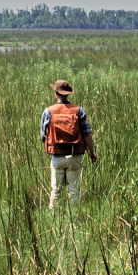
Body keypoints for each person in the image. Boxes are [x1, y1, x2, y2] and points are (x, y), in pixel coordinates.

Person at [41, 79, 97, 209]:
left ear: (56, 94)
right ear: (68, 94)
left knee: (55, 190)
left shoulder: (48, 111)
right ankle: (74, 218)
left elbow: (43, 135)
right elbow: (87, 134)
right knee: (74, 191)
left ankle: (53, 218)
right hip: (75, 156)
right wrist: (92, 153)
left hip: (57, 156)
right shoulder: (79, 110)